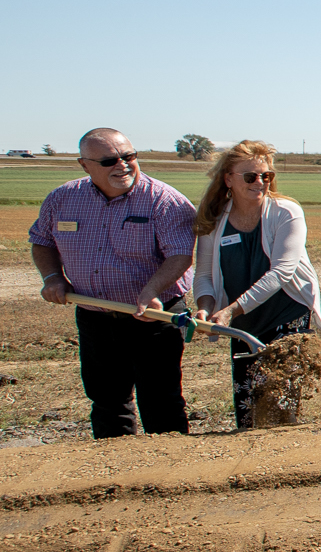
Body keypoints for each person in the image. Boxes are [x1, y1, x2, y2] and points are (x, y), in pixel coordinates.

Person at [29, 128, 198, 437]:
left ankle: (171, 475)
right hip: (95, 317)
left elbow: (180, 255)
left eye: (128, 157)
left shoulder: (164, 200)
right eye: (109, 160)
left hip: (154, 316)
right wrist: (53, 277)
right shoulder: (62, 199)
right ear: (85, 165)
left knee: (160, 400)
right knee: (107, 401)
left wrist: (151, 291)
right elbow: (42, 242)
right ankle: (117, 475)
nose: (122, 165)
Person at [192, 142, 321, 426]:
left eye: (266, 176)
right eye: (250, 177)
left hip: (285, 314)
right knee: (248, 407)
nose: (260, 182)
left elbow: (282, 273)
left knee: (281, 403)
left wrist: (231, 310)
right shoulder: (215, 220)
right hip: (243, 323)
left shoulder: (285, 212)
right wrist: (205, 308)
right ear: (228, 179)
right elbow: (203, 275)